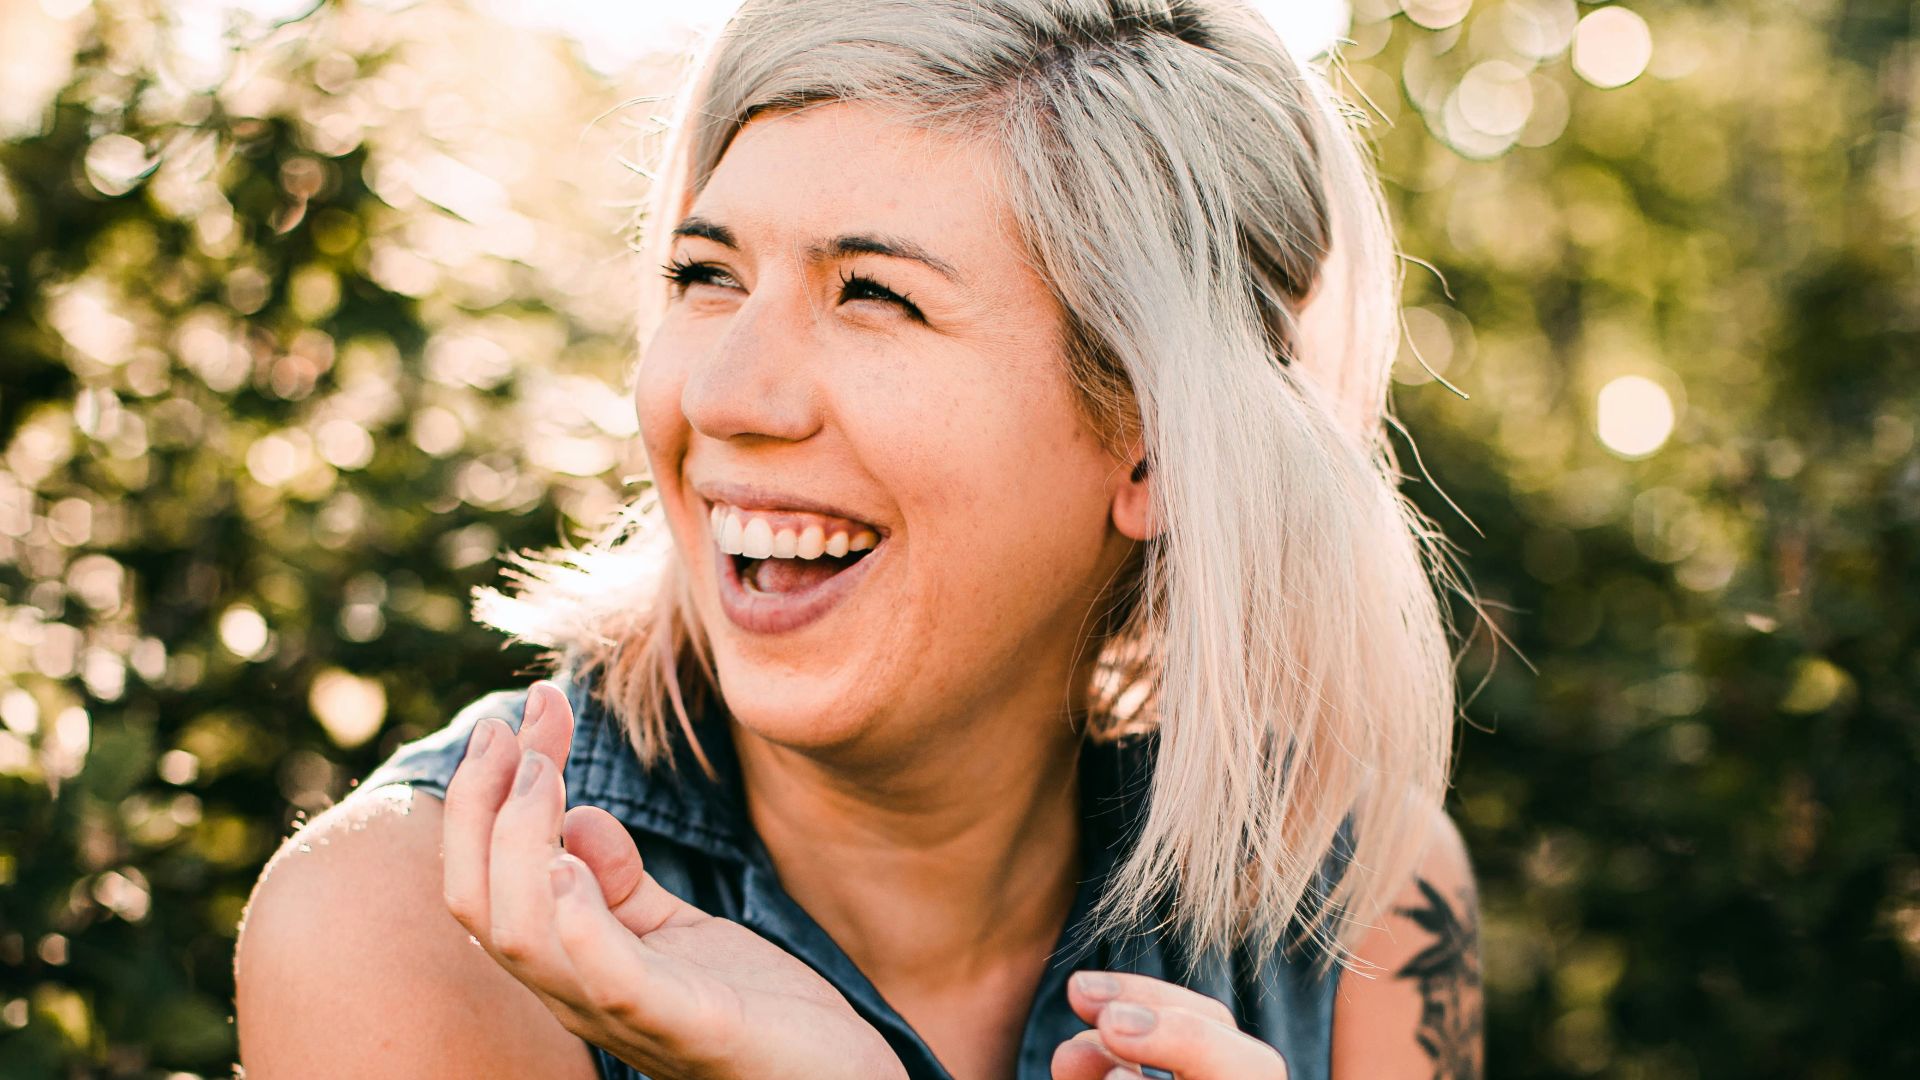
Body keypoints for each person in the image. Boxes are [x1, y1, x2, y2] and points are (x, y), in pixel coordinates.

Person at [234, 1, 1483, 1077]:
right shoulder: (403, 927)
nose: (725, 395)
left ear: (1157, 443)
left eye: (873, 295)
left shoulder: (1374, 899)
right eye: (705, 274)